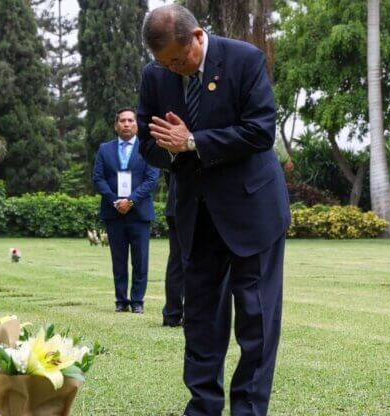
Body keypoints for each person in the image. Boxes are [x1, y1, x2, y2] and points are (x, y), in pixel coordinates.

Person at [137, 5, 291, 416]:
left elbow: (260, 131)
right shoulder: (155, 76)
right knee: (202, 319)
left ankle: (249, 409)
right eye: (164, 62)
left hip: (253, 211)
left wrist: (193, 142)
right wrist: (170, 150)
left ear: (198, 37)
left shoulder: (244, 60)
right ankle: (202, 407)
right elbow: (147, 145)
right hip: (197, 215)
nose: (173, 69)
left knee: (256, 321)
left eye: (178, 59)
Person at [93, 108, 160, 314]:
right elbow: (98, 178)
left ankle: (137, 301)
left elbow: (151, 179)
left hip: (139, 213)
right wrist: (116, 201)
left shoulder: (148, 148)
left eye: (131, 120)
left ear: (136, 124)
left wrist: (130, 201)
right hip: (114, 213)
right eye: (122, 121)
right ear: (116, 125)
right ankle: (121, 300)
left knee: (140, 260)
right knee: (119, 260)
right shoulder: (105, 149)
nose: (127, 124)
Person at [161, 173, 184, 327]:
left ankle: (172, 313)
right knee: (198, 260)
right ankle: (192, 313)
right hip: (192, 204)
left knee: (176, 261)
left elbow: (168, 171)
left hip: (174, 204)